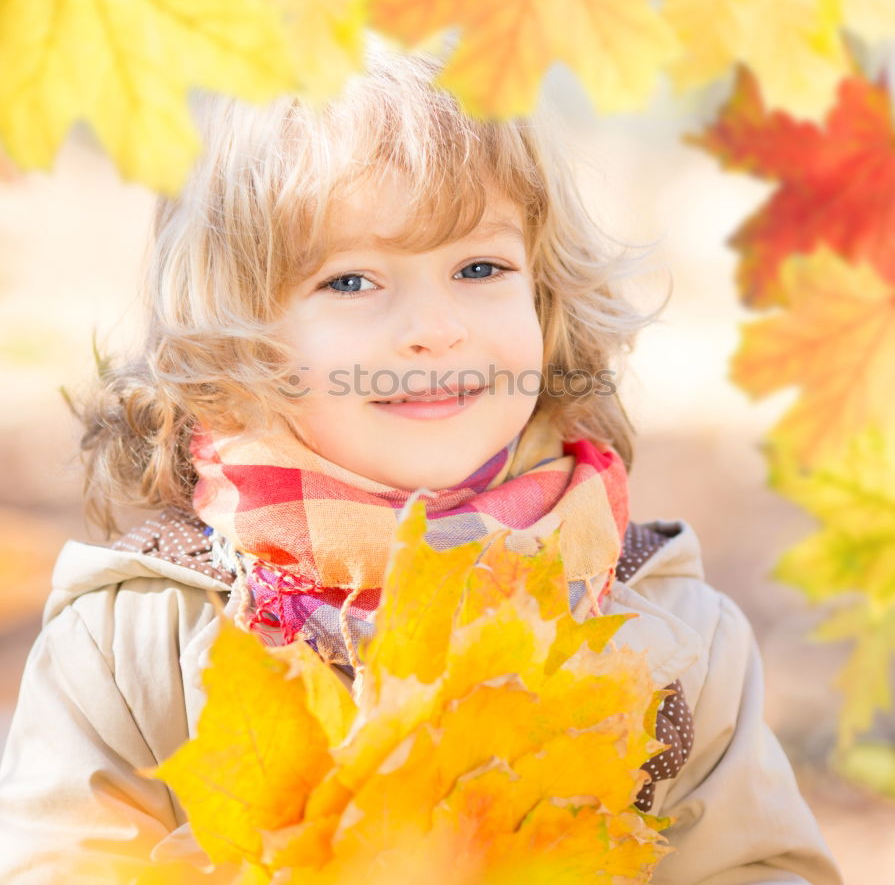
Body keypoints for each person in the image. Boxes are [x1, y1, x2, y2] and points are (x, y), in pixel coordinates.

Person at [0, 47, 843, 884]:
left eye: (480, 268)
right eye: (352, 281)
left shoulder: (673, 635)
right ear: (232, 340)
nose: (435, 329)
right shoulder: (134, 642)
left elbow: (754, 866)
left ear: (547, 300)